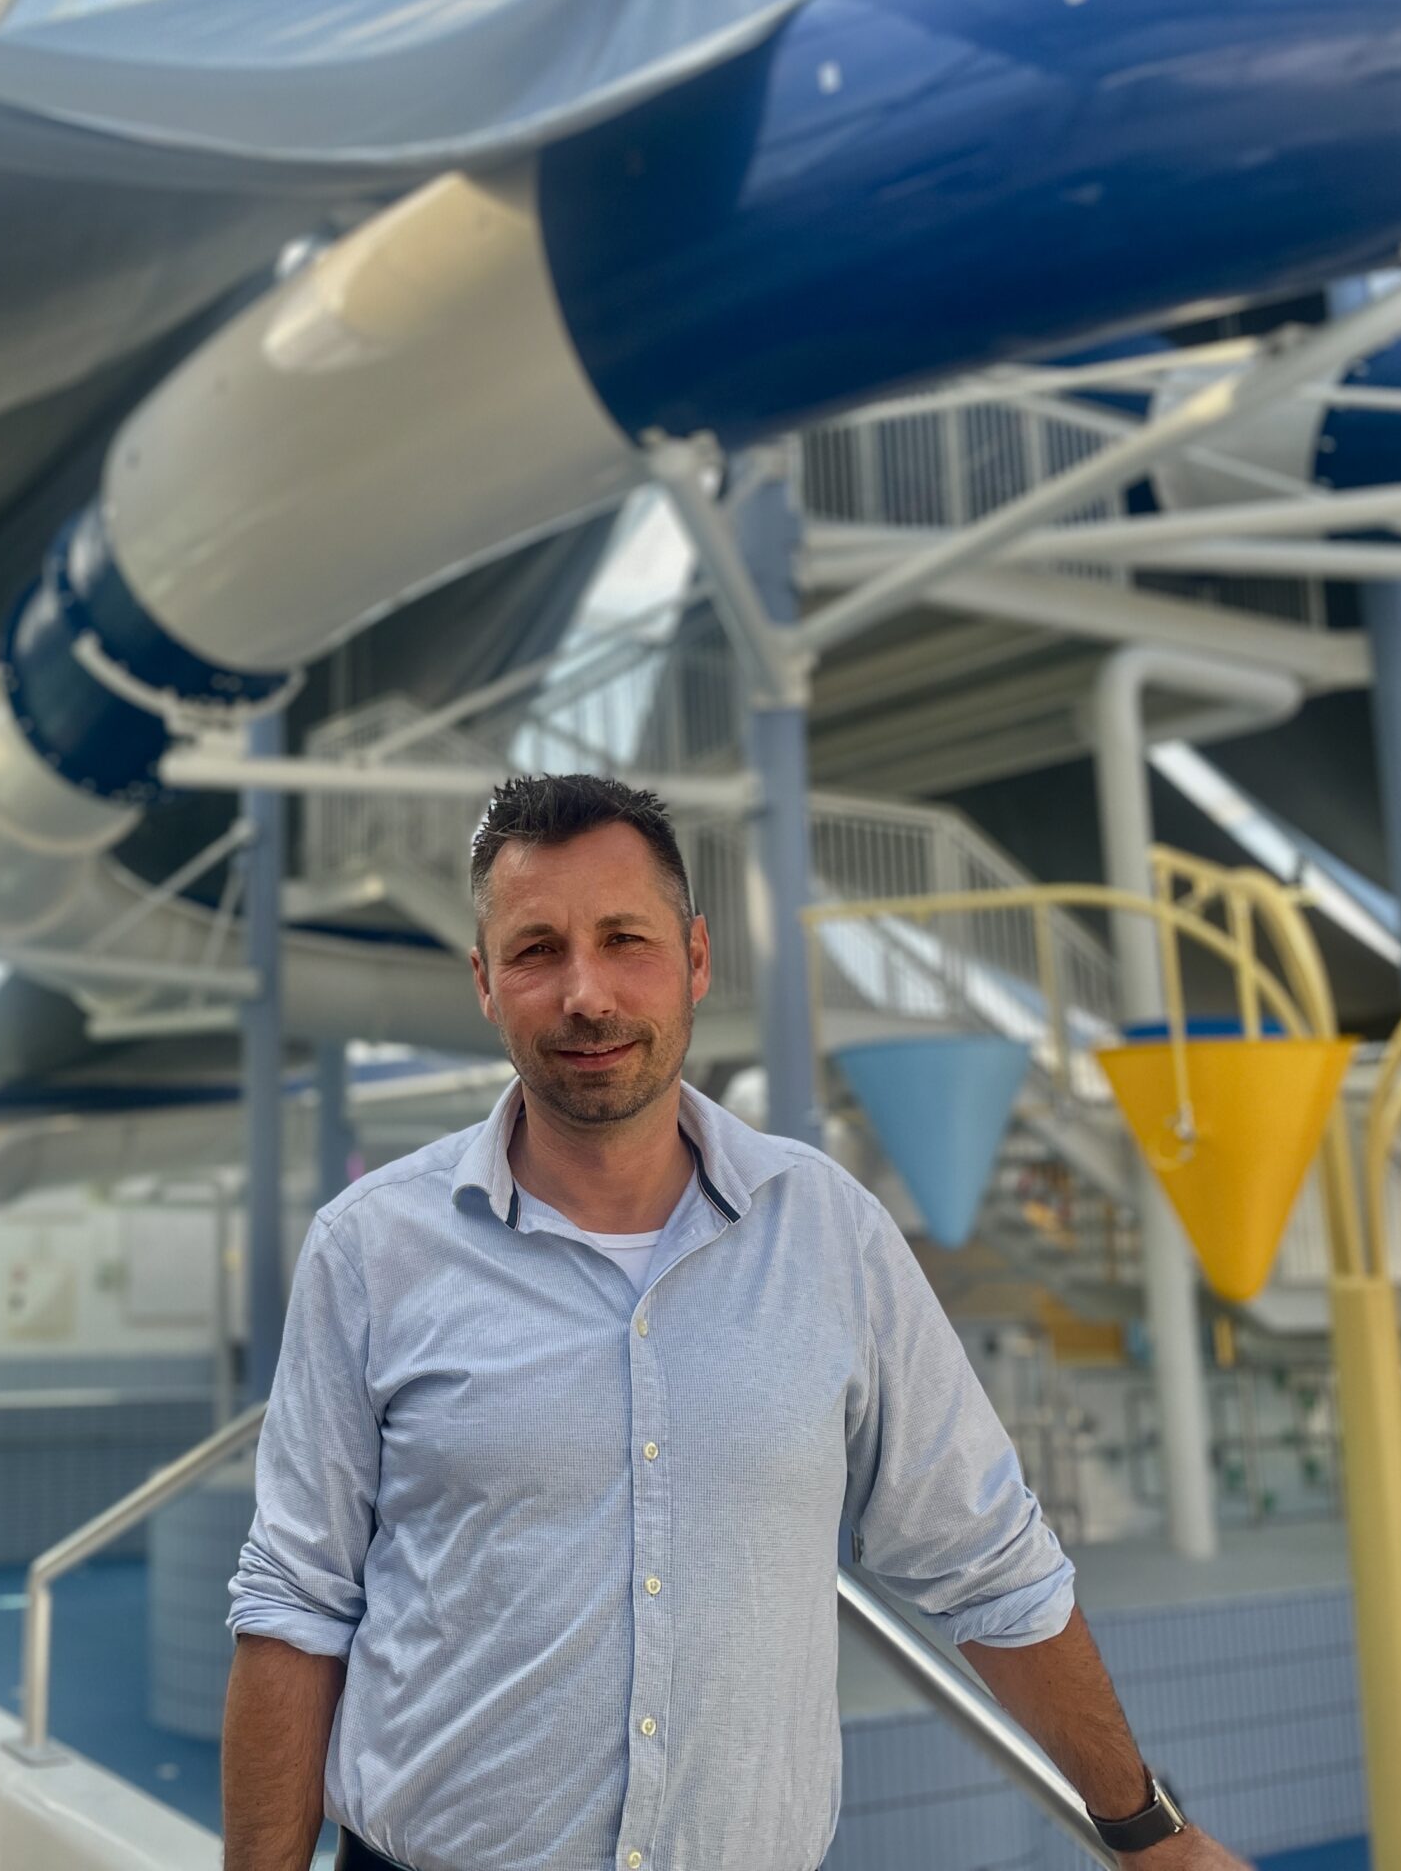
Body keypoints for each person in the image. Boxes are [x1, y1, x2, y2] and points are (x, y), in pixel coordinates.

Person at [220, 773, 1247, 1871]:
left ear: (696, 959)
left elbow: (989, 1561)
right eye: (535, 952)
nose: (585, 994)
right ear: (483, 981)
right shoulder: (371, 1249)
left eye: (626, 940)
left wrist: (1149, 1834)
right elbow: (296, 1603)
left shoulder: (831, 1234)